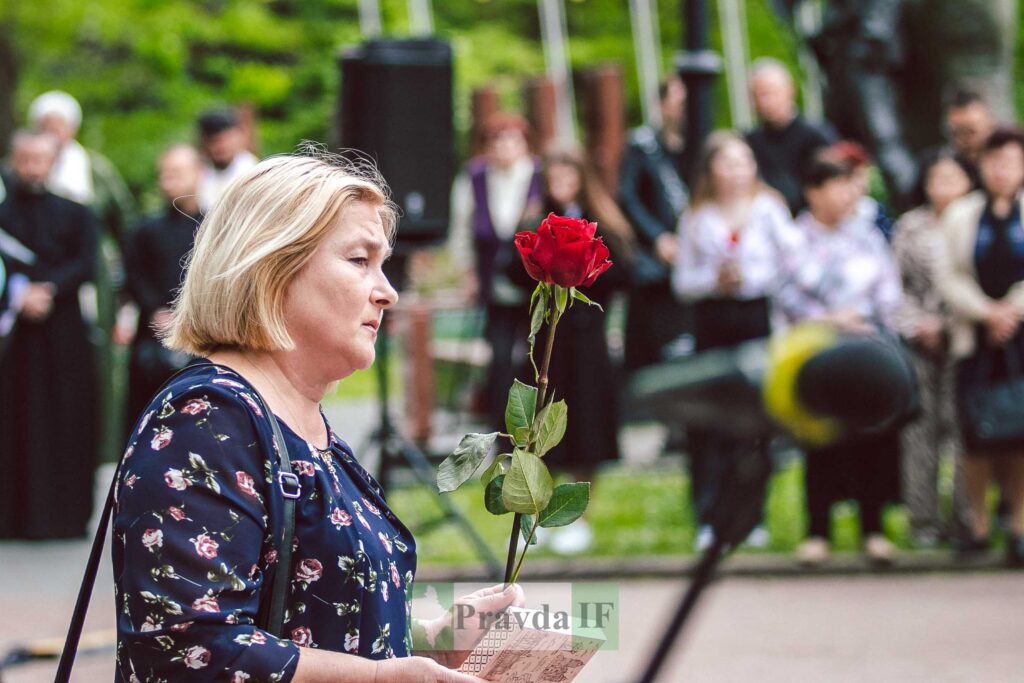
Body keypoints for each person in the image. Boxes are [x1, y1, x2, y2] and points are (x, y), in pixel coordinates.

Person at [113, 150, 524, 681]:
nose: (388, 291)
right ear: (272, 266)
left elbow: (309, 616)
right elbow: (191, 649)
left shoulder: (298, 419)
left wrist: (432, 641)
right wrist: (381, 679)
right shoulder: (204, 422)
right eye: (360, 261)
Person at [674, 131, 801, 551]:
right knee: (711, 420)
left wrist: (751, 277)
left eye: (744, 161)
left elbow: (792, 265)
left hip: (755, 316)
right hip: (713, 320)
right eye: (728, 162)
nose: (737, 170)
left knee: (754, 418)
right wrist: (716, 279)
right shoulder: (696, 215)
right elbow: (683, 281)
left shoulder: (769, 209)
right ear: (711, 169)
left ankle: (752, 515)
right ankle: (709, 514)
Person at [777, 149, 904, 566]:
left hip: (864, 348)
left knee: (870, 440)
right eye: (834, 185)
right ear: (812, 191)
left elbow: (887, 288)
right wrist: (828, 319)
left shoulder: (866, 234)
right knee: (820, 441)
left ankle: (873, 531)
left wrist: (865, 319)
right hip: (815, 353)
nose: (845, 194)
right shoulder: (795, 237)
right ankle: (818, 533)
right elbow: (784, 294)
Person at [516, 147, 634, 554]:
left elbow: (625, 268)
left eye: (569, 171)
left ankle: (577, 514)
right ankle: (539, 510)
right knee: (541, 423)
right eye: (554, 172)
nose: (561, 179)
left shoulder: (605, 223)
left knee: (587, 422)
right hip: (550, 342)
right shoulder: (533, 221)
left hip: (587, 339)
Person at [0, 130, 99, 539]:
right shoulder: (3, 214)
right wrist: (18, 294)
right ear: (13, 161)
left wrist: (48, 290)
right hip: (14, 337)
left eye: (40, 160)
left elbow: (87, 262)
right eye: (25, 160)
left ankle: (62, 516)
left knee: (65, 417)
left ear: (53, 162)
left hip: (63, 335)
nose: (32, 168)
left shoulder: (77, 213)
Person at [936, 127, 1024, 565]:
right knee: (976, 435)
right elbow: (948, 274)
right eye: (995, 161)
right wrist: (986, 312)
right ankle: (977, 524)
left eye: (1011, 161)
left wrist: (1012, 309)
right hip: (976, 339)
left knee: (1020, 436)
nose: (1002, 170)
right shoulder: (961, 215)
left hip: (1020, 338)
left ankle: (1021, 526)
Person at [891, 149, 974, 548]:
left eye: (952, 177)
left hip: (966, 337)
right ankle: (922, 520)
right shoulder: (909, 227)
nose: (943, 186)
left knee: (961, 428)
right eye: (936, 177)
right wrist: (918, 326)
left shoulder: (978, 220)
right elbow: (895, 286)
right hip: (918, 338)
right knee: (919, 431)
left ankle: (966, 518)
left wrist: (952, 324)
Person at [448, 112, 541, 430]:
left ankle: (535, 425)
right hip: (493, 284)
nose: (504, 147)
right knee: (499, 358)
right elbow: (461, 231)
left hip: (533, 285)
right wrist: (467, 273)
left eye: (512, 139)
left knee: (534, 354)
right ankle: (502, 427)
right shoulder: (474, 177)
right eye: (497, 140)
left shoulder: (537, 175)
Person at [121, 144, 204, 422]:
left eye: (177, 174)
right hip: (153, 336)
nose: (169, 183)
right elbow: (133, 273)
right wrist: (155, 309)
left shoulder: (215, 227)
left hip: (203, 335)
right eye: (164, 175)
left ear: (198, 173)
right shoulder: (144, 229)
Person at [618, 75, 693, 371]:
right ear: (662, 105)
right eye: (678, 102)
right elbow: (629, 197)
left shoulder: (701, 143)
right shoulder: (642, 145)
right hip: (656, 257)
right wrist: (657, 237)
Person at [28, 90, 135, 242]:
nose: (52, 132)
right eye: (46, 126)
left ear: (73, 129)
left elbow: (123, 214)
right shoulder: (23, 167)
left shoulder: (95, 166)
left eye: (58, 126)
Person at [744, 58, 834, 216]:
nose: (766, 102)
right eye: (758, 95)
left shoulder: (817, 136)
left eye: (771, 92)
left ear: (790, 90)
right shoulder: (749, 142)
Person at [196, 107, 259, 213]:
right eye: (214, 141)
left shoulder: (251, 170)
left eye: (227, 139)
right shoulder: (199, 171)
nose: (221, 146)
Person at [943, 85, 996, 190]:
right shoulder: (942, 165)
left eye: (971, 132)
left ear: (990, 125)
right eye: (955, 133)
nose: (963, 140)